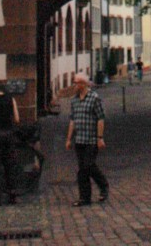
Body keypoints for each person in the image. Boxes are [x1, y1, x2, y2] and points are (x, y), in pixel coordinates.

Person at [65, 72, 109, 207]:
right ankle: (85, 198)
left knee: (88, 165)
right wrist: (68, 139)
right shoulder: (74, 100)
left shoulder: (94, 98)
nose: (74, 85)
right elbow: (72, 120)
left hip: (91, 139)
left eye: (76, 83)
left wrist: (100, 138)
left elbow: (101, 118)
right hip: (79, 139)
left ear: (83, 84)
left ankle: (103, 185)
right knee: (82, 169)